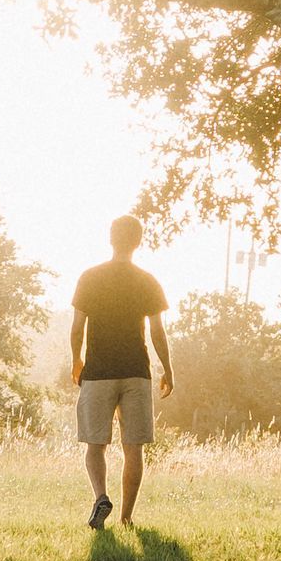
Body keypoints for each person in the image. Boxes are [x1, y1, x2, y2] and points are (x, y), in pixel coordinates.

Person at [70, 214, 172, 529]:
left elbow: (77, 329)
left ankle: (101, 497)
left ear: (110, 239)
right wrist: (168, 369)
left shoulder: (89, 277)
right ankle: (126, 518)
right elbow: (157, 332)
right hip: (135, 372)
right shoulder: (147, 280)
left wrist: (77, 361)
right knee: (133, 447)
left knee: (95, 445)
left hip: (98, 371)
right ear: (138, 242)